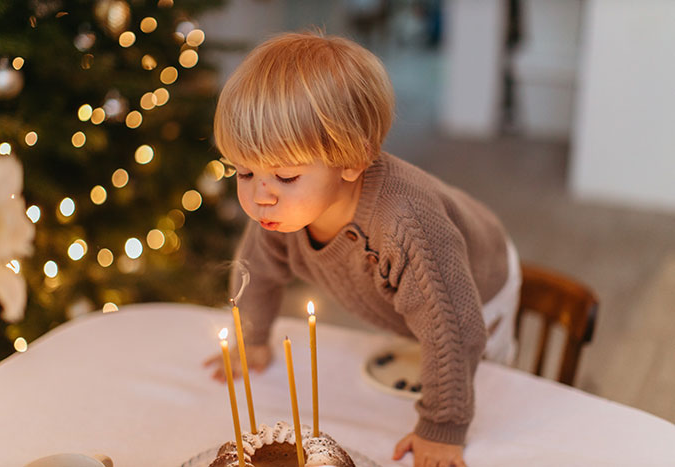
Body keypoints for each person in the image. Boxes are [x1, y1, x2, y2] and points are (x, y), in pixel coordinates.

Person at [204, 31, 521, 467]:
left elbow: (457, 328)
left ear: (353, 160)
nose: (261, 196)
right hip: (412, 299)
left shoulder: (406, 224)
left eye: (286, 176)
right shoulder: (279, 212)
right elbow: (256, 269)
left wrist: (443, 428)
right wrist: (252, 338)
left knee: (490, 383)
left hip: (477, 289)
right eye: (243, 172)